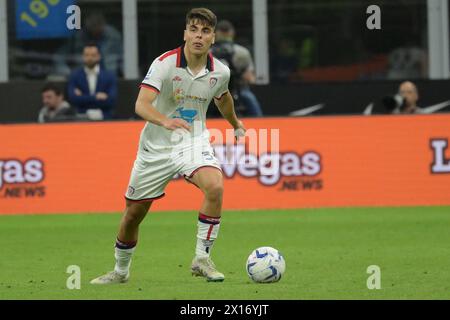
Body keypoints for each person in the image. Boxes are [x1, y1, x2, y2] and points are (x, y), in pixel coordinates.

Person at [90, 8, 246, 284]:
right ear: (185, 33)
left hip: (193, 141)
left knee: (215, 186)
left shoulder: (220, 71)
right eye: (194, 30)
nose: (199, 36)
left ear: (212, 38)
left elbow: (223, 99)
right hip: (156, 148)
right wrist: (165, 121)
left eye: (205, 31)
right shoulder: (164, 64)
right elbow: (141, 105)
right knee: (132, 215)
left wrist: (235, 124)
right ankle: (120, 271)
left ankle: (202, 258)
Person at [211, 20, 263, 117]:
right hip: (238, 92)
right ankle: (260, 125)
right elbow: (250, 78)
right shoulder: (242, 52)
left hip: (211, 93)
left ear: (215, 34)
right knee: (250, 99)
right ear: (232, 33)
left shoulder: (206, 53)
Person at [53, 12, 123, 77]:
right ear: (87, 27)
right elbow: (59, 57)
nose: (95, 34)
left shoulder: (113, 36)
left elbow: (125, 56)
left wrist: (126, 73)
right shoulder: (77, 37)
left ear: (103, 25)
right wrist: (68, 73)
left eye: (98, 32)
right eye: (92, 32)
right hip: (82, 76)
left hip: (109, 74)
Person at [67, 44, 117, 120]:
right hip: (81, 118)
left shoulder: (109, 76)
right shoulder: (75, 75)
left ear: (99, 56)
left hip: (105, 118)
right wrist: (96, 97)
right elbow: (73, 99)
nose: (90, 58)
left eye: (93, 55)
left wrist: (83, 97)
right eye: (86, 55)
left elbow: (111, 100)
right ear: (82, 56)